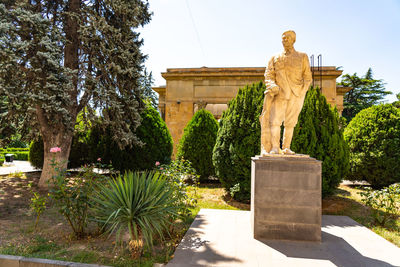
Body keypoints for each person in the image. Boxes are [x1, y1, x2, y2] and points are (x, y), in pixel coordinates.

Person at [260, 30, 312, 155]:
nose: (284, 40)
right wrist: (272, 85)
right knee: (275, 121)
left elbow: (308, 77)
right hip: (280, 93)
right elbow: (268, 74)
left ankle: (286, 147)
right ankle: (274, 147)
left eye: (287, 38)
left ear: (294, 40)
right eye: (283, 38)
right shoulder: (275, 57)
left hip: (296, 94)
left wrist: (302, 92)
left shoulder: (302, 56)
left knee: (291, 122)